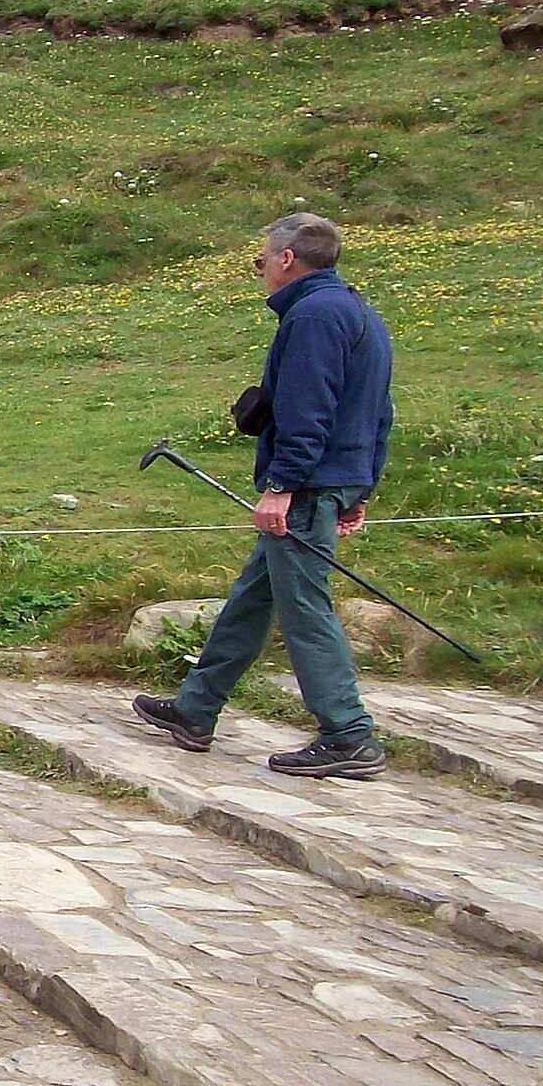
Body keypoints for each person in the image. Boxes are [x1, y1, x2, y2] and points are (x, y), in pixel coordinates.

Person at [130, 213, 395, 778]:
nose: (260, 272)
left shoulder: (314, 317)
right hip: (332, 479)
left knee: (304, 607)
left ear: (287, 260)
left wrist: (282, 486)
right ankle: (195, 709)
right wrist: (359, 485)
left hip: (306, 487)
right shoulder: (357, 310)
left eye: (259, 262)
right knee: (255, 597)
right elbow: (378, 411)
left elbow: (307, 410)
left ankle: (348, 732)